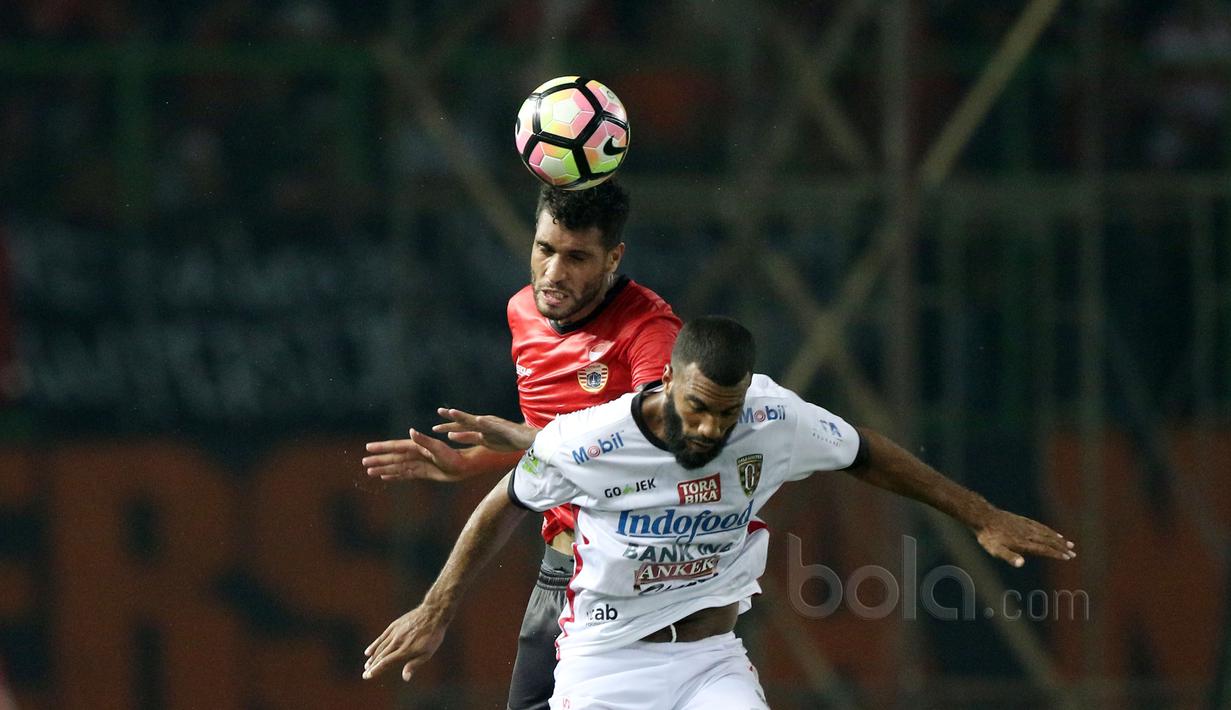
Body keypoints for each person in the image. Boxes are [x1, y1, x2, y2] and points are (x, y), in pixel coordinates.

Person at [361, 316, 1077, 709]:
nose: (710, 427)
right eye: (697, 407)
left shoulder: (773, 417)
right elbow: (503, 503)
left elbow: (867, 453)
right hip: (605, 662)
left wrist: (979, 512)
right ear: (668, 379)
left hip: (711, 661)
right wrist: (436, 609)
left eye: (725, 414)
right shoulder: (588, 440)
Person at [361, 180, 693, 709]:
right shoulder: (524, 312)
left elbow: (659, 455)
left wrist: (520, 437)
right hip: (558, 575)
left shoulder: (649, 332)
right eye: (545, 249)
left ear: (614, 257)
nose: (555, 272)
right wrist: (473, 461)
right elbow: (556, 447)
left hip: (640, 584)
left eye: (577, 256)